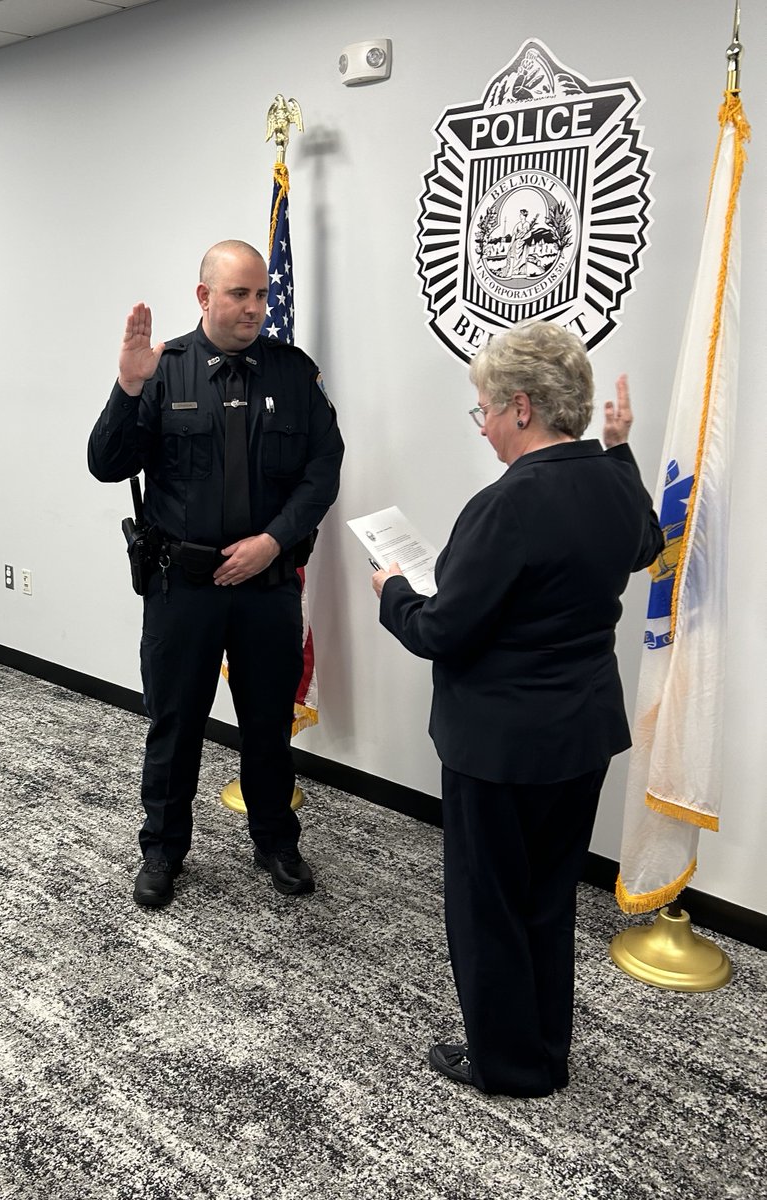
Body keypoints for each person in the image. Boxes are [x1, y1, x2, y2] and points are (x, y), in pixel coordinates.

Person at [371, 320, 662, 1097]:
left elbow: (441, 629)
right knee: (545, 899)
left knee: (487, 908)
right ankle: (544, 1049)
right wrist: (623, 445)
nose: (486, 427)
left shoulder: (505, 504)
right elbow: (643, 544)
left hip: (499, 746)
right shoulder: (610, 481)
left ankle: (507, 1065)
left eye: (486, 411)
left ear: (523, 407)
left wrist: (393, 591)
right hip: (580, 735)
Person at [88, 240, 344, 908]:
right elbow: (107, 464)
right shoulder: (163, 370)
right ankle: (164, 849)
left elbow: (323, 471)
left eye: (261, 293)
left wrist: (274, 541)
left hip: (266, 586)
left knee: (267, 724)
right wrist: (128, 387)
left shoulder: (292, 374)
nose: (255, 307)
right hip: (184, 587)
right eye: (240, 294)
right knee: (173, 724)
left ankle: (275, 840)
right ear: (204, 297)